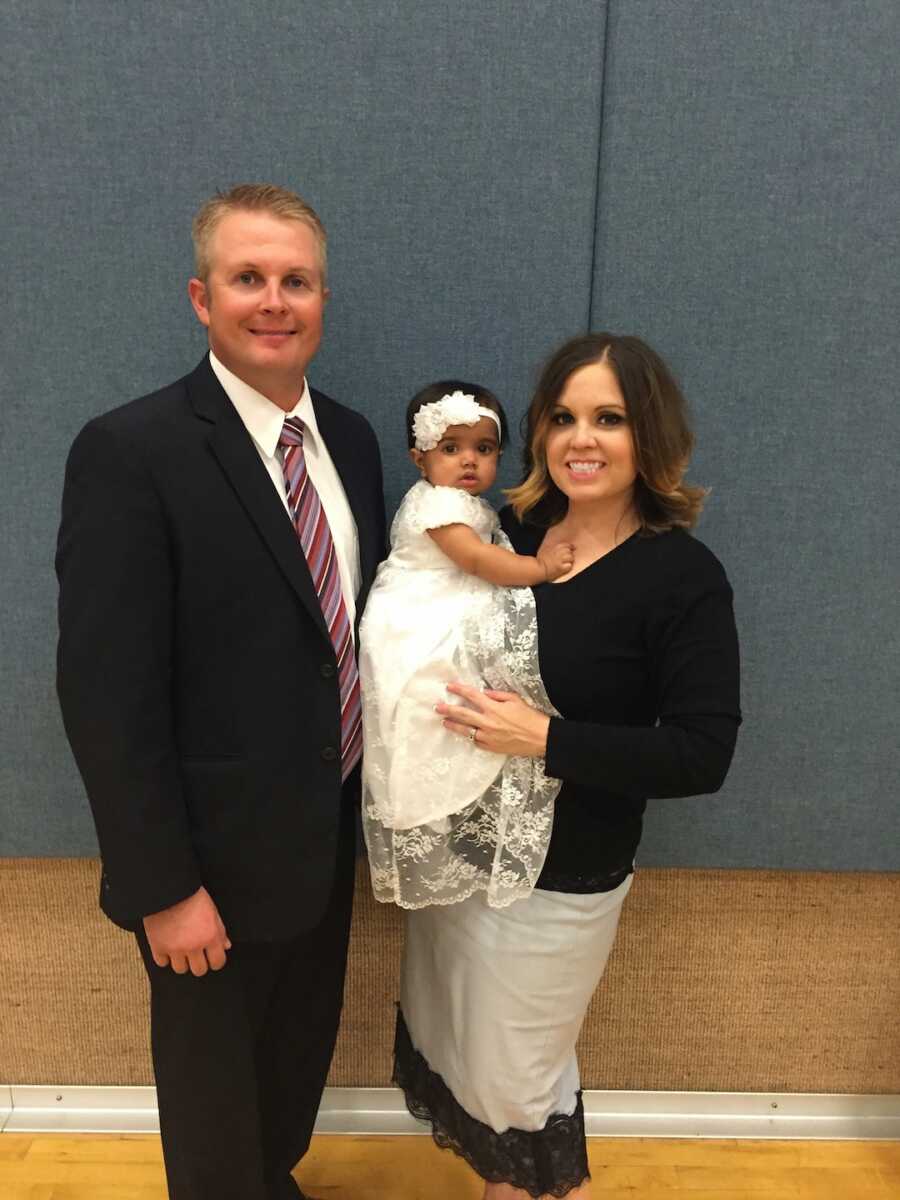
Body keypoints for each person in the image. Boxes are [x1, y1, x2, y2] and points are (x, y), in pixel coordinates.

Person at [55, 183, 386, 1200]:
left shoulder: (356, 440)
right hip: (203, 864)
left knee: (289, 1080)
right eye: (249, 278)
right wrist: (161, 885)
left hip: (325, 837)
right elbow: (104, 692)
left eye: (296, 280)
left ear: (325, 298)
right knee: (210, 1116)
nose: (273, 300)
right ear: (203, 298)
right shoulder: (131, 451)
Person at [393, 333, 742, 1199]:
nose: (581, 439)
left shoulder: (681, 577)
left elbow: (702, 752)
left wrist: (546, 739)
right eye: (563, 417)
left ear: (651, 437)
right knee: (487, 1068)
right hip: (465, 854)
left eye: (610, 419)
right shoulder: (508, 531)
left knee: (515, 1084)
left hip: (561, 878)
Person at [359, 382, 573, 910]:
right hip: (412, 615)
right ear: (420, 458)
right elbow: (480, 562)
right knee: (426, 693)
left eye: (483, 449)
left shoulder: (463, 501)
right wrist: (539, 569)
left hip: (441, 601)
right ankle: (425, 800)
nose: (469, 461)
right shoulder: (439, 506)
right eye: (451, 449)